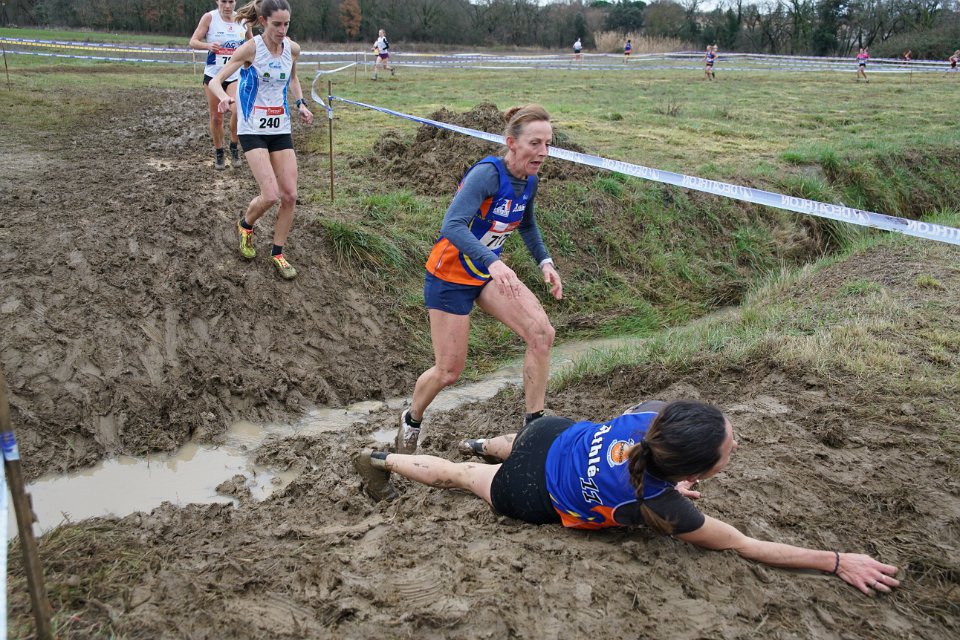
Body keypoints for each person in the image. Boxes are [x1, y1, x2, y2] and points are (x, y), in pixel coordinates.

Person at [356, 400, 902, 596]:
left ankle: (479, 443)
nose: (735, 445)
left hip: (553, 434)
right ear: (692, 472)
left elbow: (641, 454)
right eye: (729, 447)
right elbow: (744, 545)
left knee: (518, 443)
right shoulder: (663, 507)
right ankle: (381, 461)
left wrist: (671, 479)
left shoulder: (654, 418)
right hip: (532, 491)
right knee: (460, 477)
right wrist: (835, 561)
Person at [395, 105, 563, 454]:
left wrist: (545, 262)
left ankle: (533, 429)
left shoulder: (530, 181)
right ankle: (411, 419)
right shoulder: (487, 175)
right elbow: (452, 225)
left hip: (485, 274)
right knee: (448, 371)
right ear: (512, 143)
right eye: (535, 143)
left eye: (548, 144)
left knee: (541, 333)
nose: (543, 152)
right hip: (450, 276)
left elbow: (527, 224)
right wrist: (494, 262)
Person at [210, 0, 313, 280]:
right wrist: (224, 98)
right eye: (277, 24)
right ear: (264, 21)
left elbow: (293, 78)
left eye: (286, 24)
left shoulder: (292, 49)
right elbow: (216, 81)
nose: (282, 30)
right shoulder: (251, 49)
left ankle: (278, 253)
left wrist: (301, 103)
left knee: (290, 195)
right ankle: (246, 225)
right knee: (270, 195)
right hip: (252, 128)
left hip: (280, 127)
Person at [189, 0, 252, 170]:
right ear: (217, 1)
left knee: (237, 111)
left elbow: (253, 44)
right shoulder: (209, 18)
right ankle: (219, 152)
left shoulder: (243, 20)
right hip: (213, 76)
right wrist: (208, 45)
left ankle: (234, 145)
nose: (228, 6)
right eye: (224, 1)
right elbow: (193, 41)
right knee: (216, 117)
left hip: (235, 75)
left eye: (231, 1)